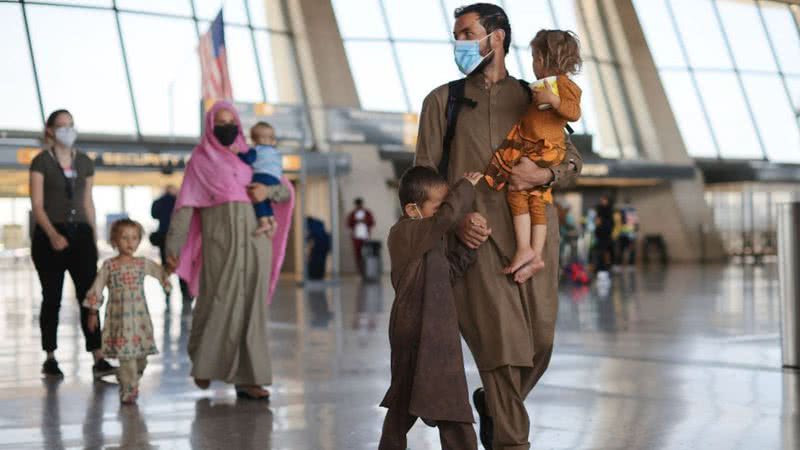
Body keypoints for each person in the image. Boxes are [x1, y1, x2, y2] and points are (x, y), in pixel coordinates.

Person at [415, 4, 583, 449]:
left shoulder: (536, 95)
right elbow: (423, 180)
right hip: (475, 242)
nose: (460, 44)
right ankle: (513, 442)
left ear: (498, 38)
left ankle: (492, 404)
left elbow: (572, 158)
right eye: (457, 36)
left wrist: (545, 175)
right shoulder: (441, 101)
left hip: (535, 239)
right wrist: (456, 217)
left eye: (468, 33)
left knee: (540, 344)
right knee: (503, 351)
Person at [165, 101, 284, 400]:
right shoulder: (201, 160)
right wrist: (173, 246)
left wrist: (266, 191)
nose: (227, 127)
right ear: (210, 125)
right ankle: (204, 364)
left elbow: (283, 190)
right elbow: (186, 206)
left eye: (232, 121)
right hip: (221, 243)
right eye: (221, 121)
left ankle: (249, 379)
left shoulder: (251, 157)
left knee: (251, 311)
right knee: (216, 302)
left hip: (256, 244)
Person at [379, 167, 482, 450]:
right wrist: (465, 187)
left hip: (435, 331)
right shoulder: (404, 233)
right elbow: (446, 218)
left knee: (414, 400)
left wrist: (470, 247)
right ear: (413, 210)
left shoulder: (429, 239)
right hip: (416, 330)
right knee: (443, 400)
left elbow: (449, 272)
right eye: (438, 207)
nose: (445, 214)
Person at [485, 29, 582, 275]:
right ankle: (533, 253)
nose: (533, 64)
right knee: (536, 200)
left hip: (543, 150)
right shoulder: (538, 89)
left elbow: (574, 112)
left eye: (535, 58)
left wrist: (554, 100)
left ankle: (525, 249)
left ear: (544, 60)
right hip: (539, 149)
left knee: (518, 193)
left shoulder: (562, 86)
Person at [29, 108, 117, 379]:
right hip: (49, 235)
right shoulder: (41, 162)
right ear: (50, 131)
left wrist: (93, 234)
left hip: (80, 234)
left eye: (71, 125)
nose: (67, 130)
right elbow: (37, 204)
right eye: (61, 126)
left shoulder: (85, 163)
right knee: (52, 297)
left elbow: (87, 201)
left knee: (88, 298)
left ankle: (97, 355)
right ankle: (50, 356)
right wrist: (52, 234)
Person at [84, 219, 169, 404]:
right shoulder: (109, 266)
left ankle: (130, 379)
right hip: (119, 321)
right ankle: (128, 389)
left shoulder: (142, 263)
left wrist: (170, 271)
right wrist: (92, 313)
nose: (130, 243)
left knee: (141, 360)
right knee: (126, 357)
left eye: (134, 238)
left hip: (140, 321)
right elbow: (97, 289)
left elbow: (161, 273)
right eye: (125, 238)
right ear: (114, 241)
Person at [237, 121, 281, 237]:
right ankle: (272, 220)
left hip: (262, 175)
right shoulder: (275, 152)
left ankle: (264, 222)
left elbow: (247, 160)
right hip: (275, 179)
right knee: (266, 199)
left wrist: (237, 153)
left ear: (254, 139)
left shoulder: (256, 150)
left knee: (257, 196)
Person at [150, 185, 191, 302]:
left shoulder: (158, 202)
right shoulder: (180, 201)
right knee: (181, 264)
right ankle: (185, 293)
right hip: (180, 237)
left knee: (166, 265)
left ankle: (166, 290)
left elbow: (154, 215)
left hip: (164, 236)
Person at [346, 198, 374, 275]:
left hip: (365, 236)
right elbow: (348, 224)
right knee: (358, 254)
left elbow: (372, 222)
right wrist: (356, 221)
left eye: (360, 204)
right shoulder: (352, 214)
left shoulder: (367, 213)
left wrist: (365, 221)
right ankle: (360, 271)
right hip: (356, 237)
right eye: (358, 205)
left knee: (367, 253)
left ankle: (367, 270)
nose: (359, 206)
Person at [594, 195, 615, 280]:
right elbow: (597, 222)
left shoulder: (609, 211)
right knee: (600, 252)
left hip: (607, 234)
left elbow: (611, 223)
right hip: (600, 235)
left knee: (607, 252)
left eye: (604, 200)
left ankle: (606, 268)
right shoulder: (599, 210)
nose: (602, 201)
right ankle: (600, 268)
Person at [617, 198, 638, 269]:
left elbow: (635, 223)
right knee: (622, 249)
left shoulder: (631, 211)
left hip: (628, 233)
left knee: (629, 249)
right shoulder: (624, 211)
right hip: (625, 233)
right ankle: (621, 264)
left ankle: (630, 264)